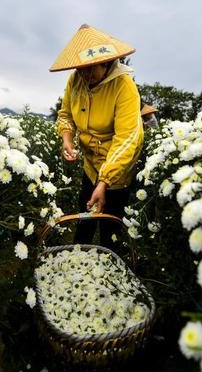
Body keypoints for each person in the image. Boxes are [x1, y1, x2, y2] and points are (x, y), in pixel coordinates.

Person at [51, 24, 144, 248]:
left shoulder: (124, 86)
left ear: (106, 62)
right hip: (90, 165)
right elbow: (65, 114)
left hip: (117, 170)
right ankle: (78, 258)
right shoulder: (76, 79)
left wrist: (105, 181)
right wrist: (66, 139)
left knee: (109, 226)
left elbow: (128, 138)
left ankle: (108, 263)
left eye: (91, 68)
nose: (85, 74)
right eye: (80, 68)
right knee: (84, 217)